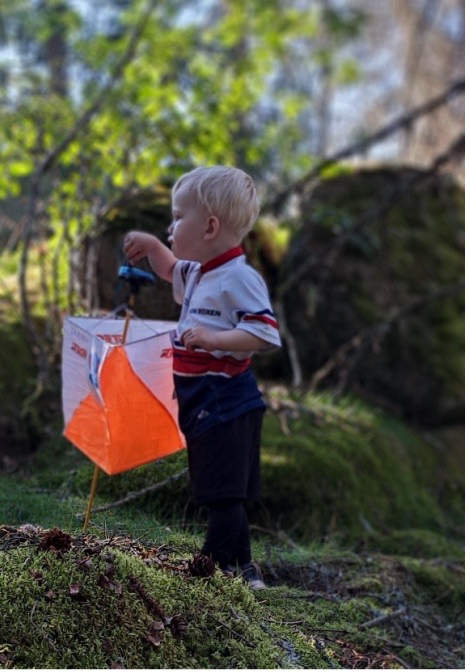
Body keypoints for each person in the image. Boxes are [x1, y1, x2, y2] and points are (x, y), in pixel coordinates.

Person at [123, 165, 281, 589]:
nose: (171, 227)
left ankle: (208, 567)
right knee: (224, 489)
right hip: (200, 398)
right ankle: (244, 570)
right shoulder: (198, 272)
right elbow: (170, 268)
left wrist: (213, 336)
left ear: (210, 226)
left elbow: (264, 333)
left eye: (177, 218)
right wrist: (153, 246)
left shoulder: (239, 278)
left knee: (221, 491)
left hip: (225, 398)